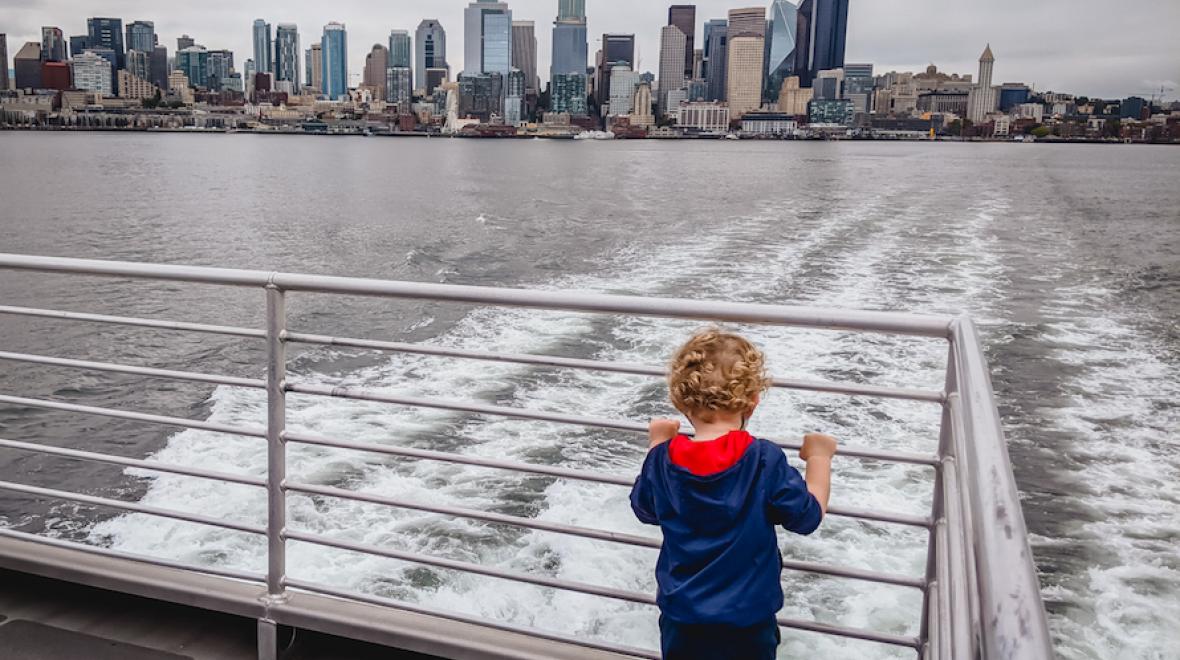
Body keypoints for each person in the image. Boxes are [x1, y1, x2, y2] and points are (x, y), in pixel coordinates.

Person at [630, 329, 837, 660]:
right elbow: (807, 516)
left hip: (682, 619)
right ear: (753, 401)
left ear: (680, 401)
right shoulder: (763, 460)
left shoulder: (662, 459)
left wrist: (657, 443)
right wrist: (819, 458)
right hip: (748, 622)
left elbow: (645, 509)